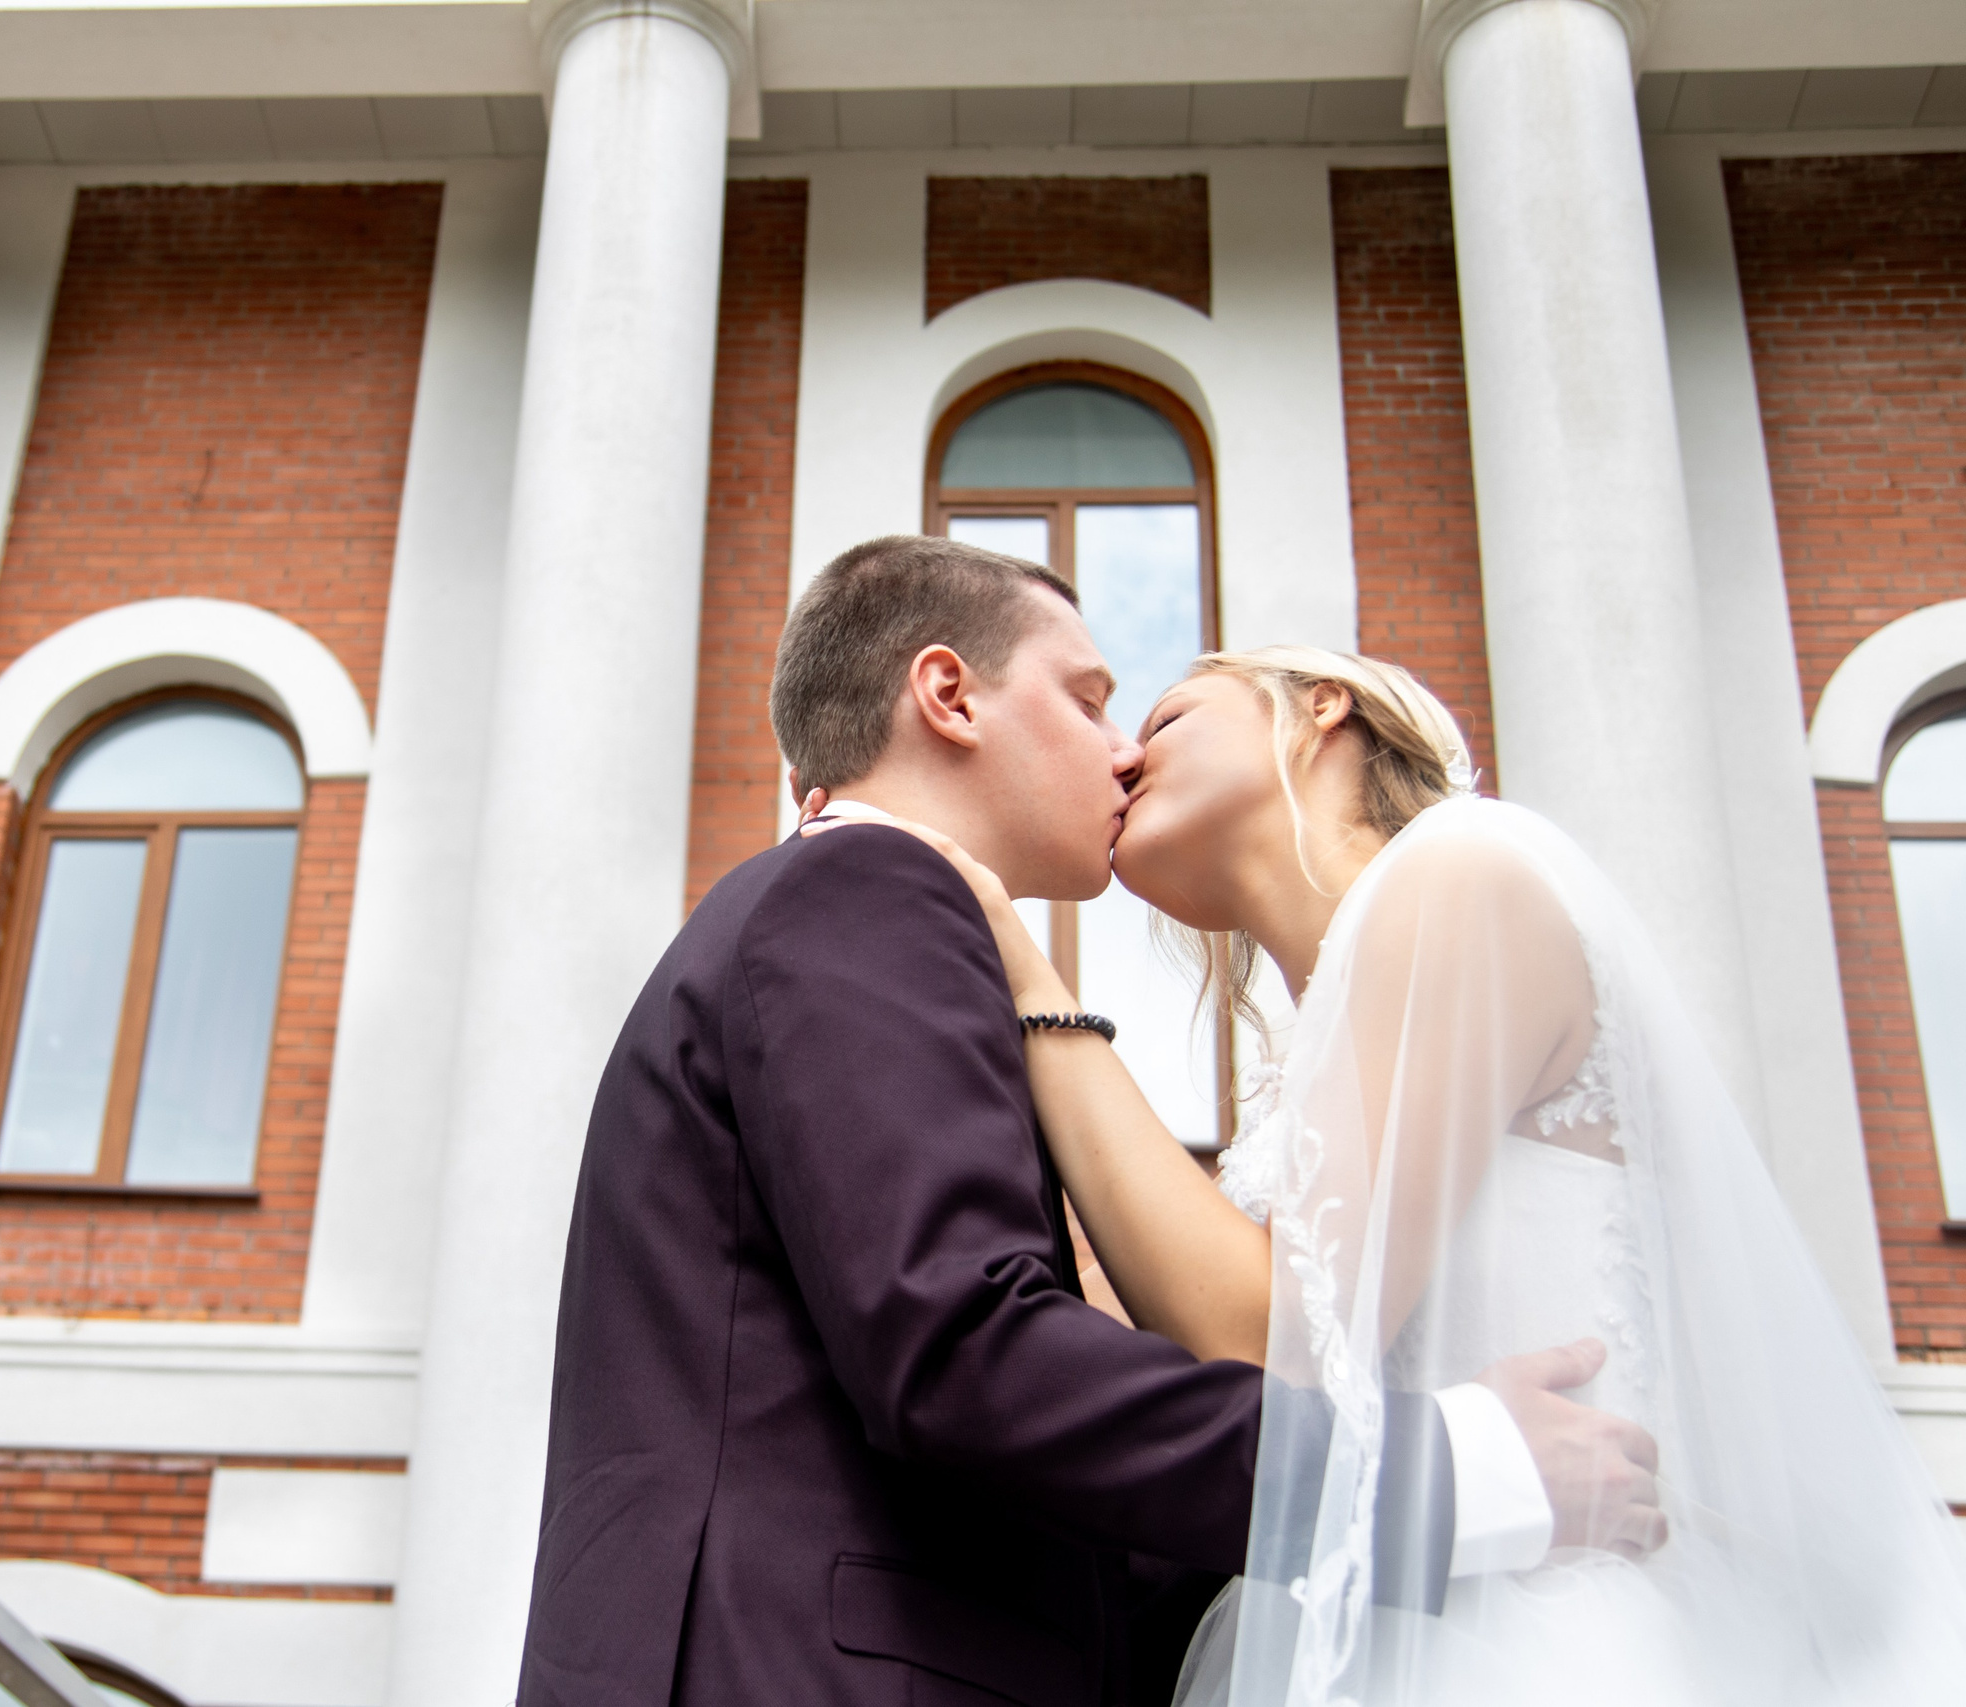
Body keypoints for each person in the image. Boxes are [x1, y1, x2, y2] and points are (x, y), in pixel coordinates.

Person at [516, 535, 1662, 1707]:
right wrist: (1457, 1476)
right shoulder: (862, 886)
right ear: (949, 696)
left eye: (1148, 718)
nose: (1122, 756)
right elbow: (967, 1355)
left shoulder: (1454, 901)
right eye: (1094, 701)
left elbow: (1060, 1452)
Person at [829, 642, 1966, 1706]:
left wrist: (1025, 974)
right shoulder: (1318, 1064)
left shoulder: (1462, 872)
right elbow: (1131, 1377)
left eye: (1167, 713)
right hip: (1361, 1622)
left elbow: (1272, 1344)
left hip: (1524, 1636)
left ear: (1324, 707)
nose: (1123, 753)